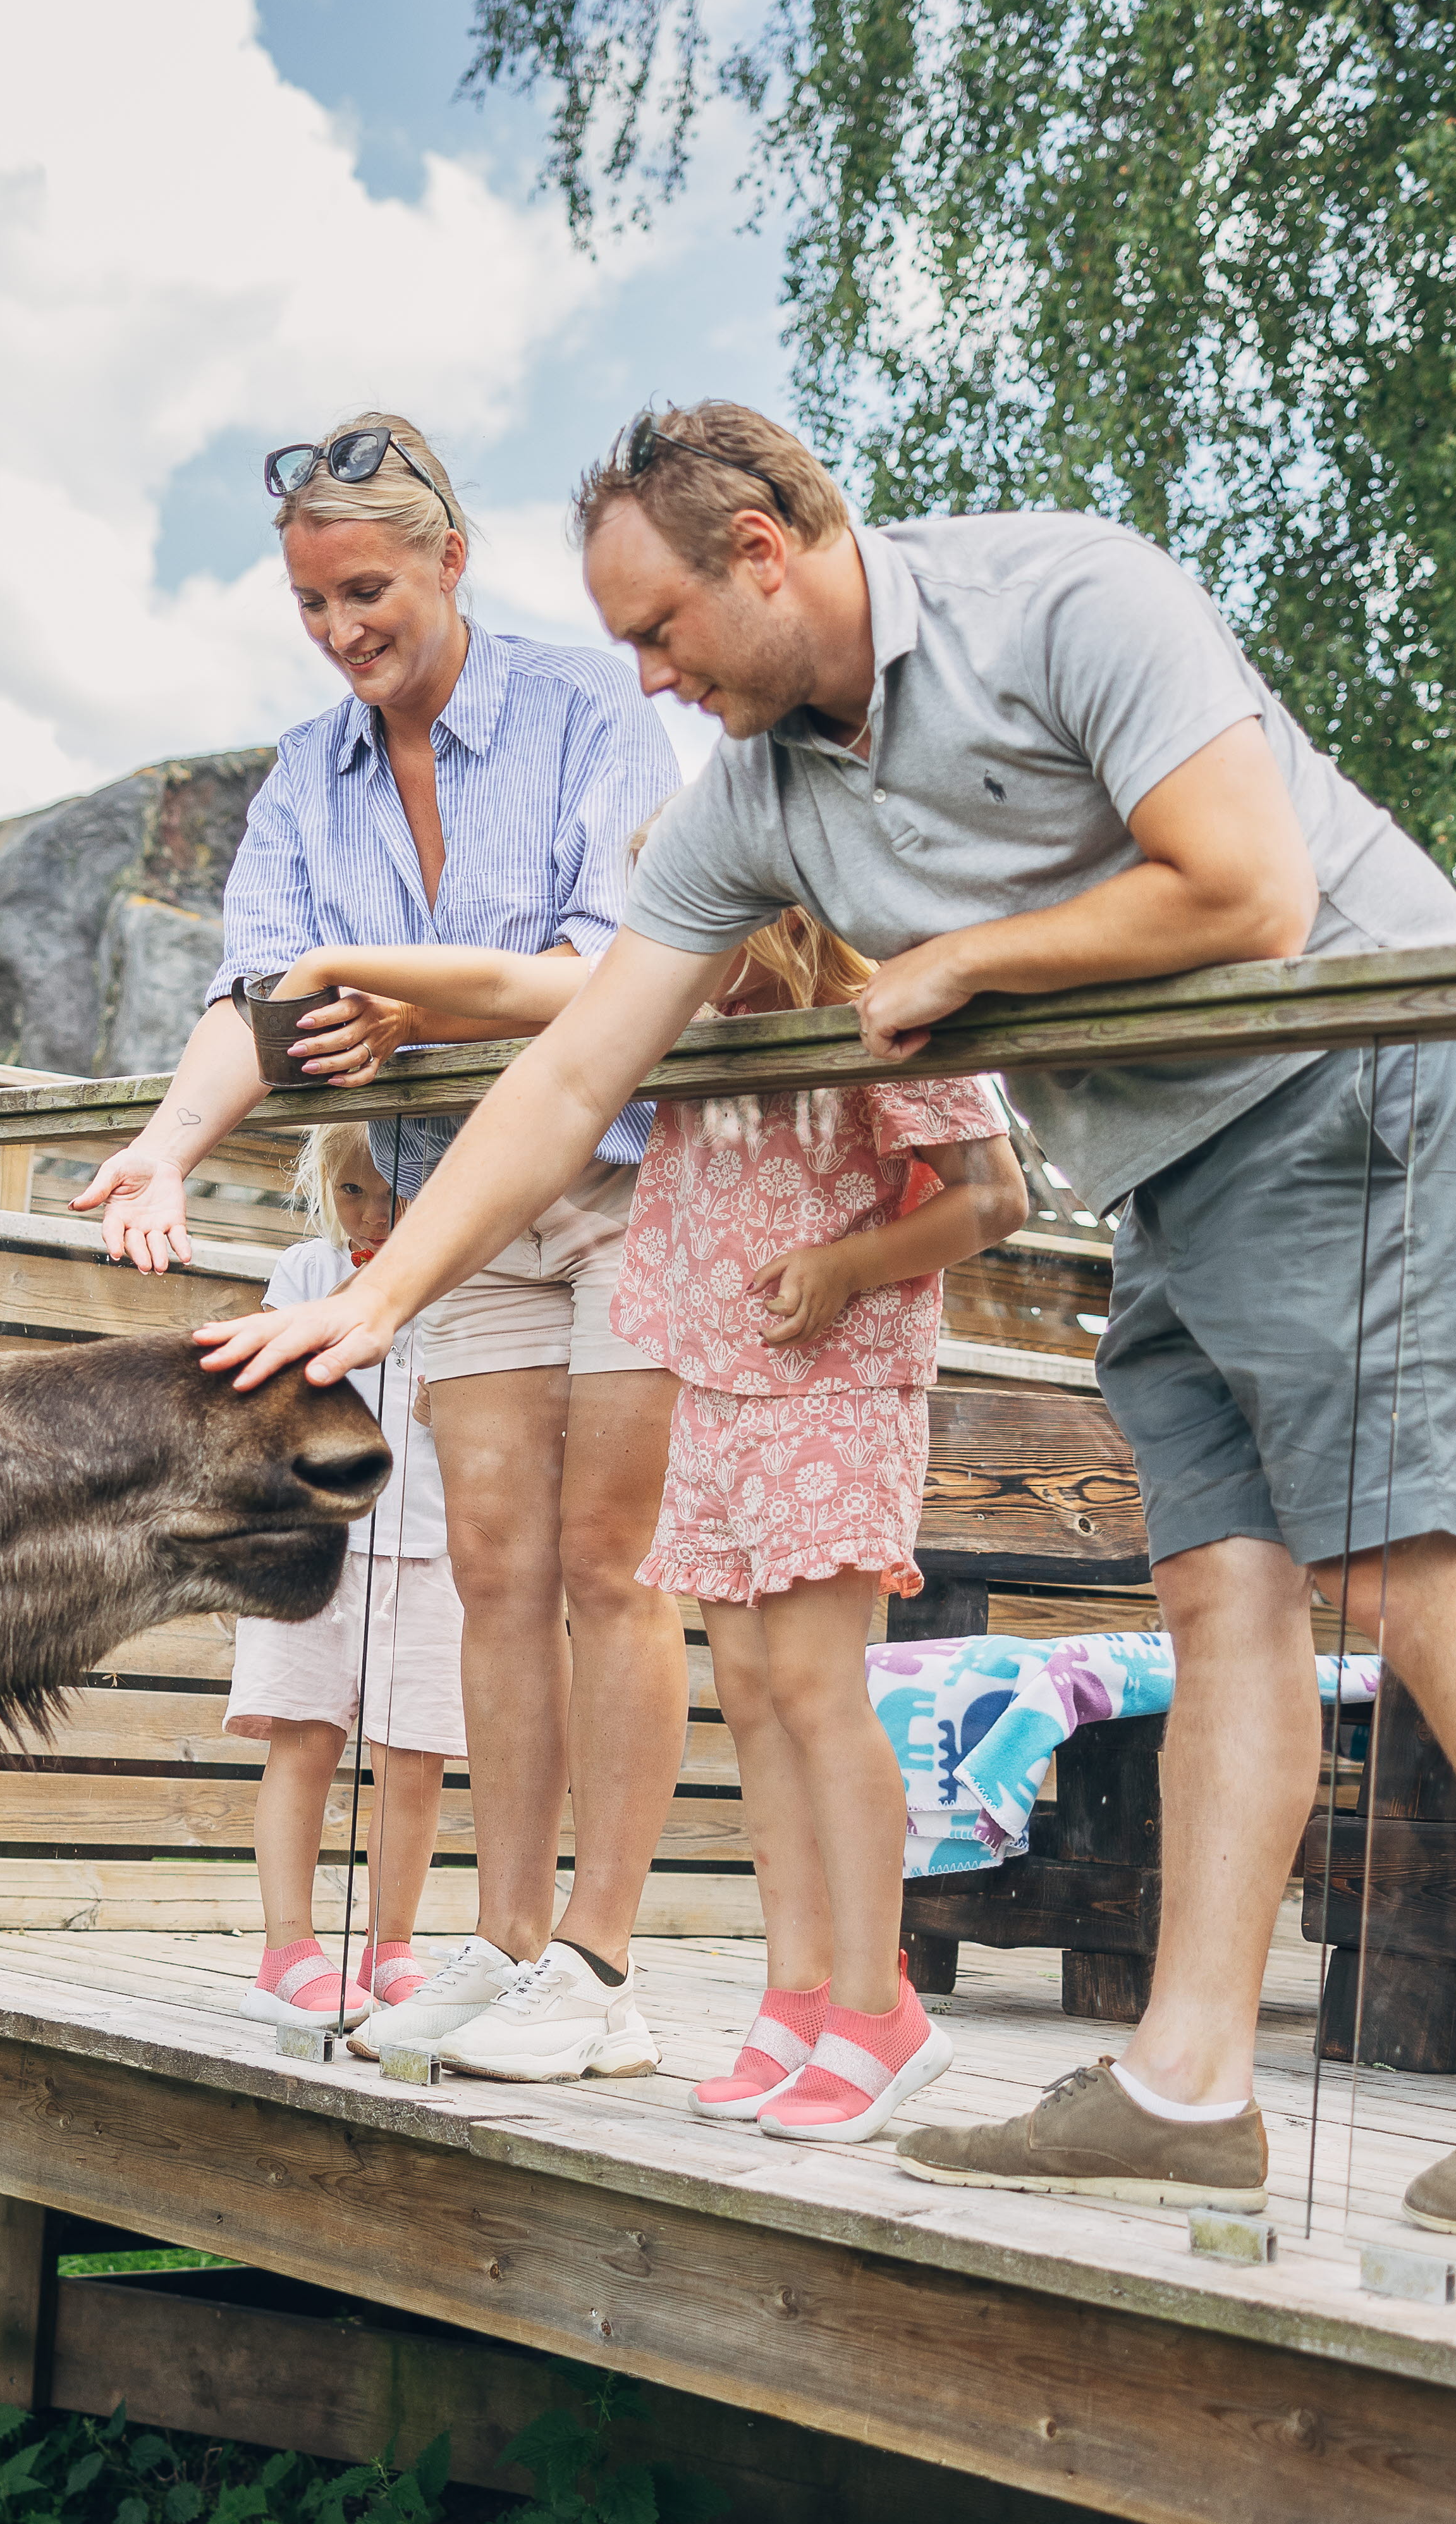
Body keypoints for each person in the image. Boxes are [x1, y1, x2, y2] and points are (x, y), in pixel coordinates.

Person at [202, 400, 1456, 2240]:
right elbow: (566, 1074)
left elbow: (1243, 886)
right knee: (1220, 1593)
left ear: (763, 550)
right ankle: (1185, 2085)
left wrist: (969, 960)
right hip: (1170, 1154)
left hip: (1350, 1067)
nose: (645, 674)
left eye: (660, 629)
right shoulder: (757, 799)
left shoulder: (1066, 597)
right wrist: (370, 1300)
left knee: (1389, 1554)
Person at [73, 411, 688, 2084]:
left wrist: (391, 981)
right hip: (454, 1207)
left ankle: (601, 1967)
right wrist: (162, 1147)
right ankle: (499, 1953)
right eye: (313, 606)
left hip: (629, 1183)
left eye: (369, 592)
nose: (346, 632)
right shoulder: (306, 772)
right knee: (490, 1573)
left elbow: (619, 973)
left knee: (605, 1571)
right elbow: (258, 1000)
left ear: (447, 562)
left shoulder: (582, 715)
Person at [612, 903, 1024, 2138]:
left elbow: (991, 1195)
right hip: (713, 1384)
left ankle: (876, 2002)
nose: (664, 932)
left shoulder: (884, 1015)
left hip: (834, 1389)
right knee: (745, 1687)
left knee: (812, 1685)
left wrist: (850, 1266)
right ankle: (796, 1990)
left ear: (773, 911)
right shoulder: (687, 1021)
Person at [228, 1130, 463, 2032]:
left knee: (415, 1758)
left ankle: (391, 1945)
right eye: (355, 1191)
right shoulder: (304, 1271)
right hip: (314, 1548)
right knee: (306, 1739)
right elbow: (279, 1389)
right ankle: (289, 1948)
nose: (373, 1214)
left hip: (433, 1549)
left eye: (397, 1193)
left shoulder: (469, 1285)